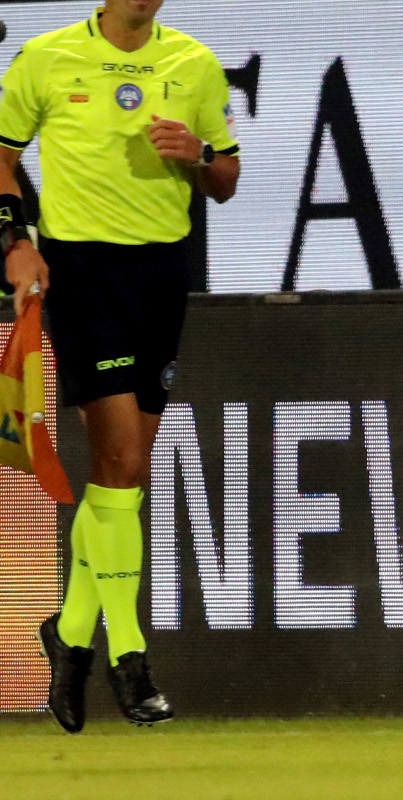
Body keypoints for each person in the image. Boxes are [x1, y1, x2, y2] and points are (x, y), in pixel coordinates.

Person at [0, 0, 240, 733]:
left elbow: (227, 177)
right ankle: (128, 654)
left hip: (162, 274)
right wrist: (15, 240)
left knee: (123, 476)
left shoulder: (194, 64)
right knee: (122, 455)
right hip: (82, 272)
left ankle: (70, 638)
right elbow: (2, 154)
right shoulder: (45, 57)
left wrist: (196, 155)